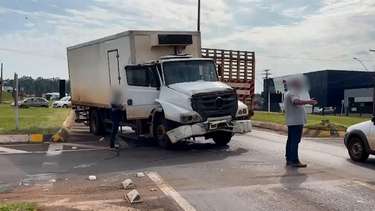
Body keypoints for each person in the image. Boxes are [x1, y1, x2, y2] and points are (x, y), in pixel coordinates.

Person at [284, 78, 317, 168]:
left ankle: (289, 159)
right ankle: (294, 160)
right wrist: (308, 102)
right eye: (300, 84)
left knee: (291, 141)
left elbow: (296, 102)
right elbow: (296, 102)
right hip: (296, 122)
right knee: (295, 141)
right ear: (296, 85)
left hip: (292, 122)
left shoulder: (289, 93)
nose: (301, 86)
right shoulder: (293, 92)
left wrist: (307, 101)